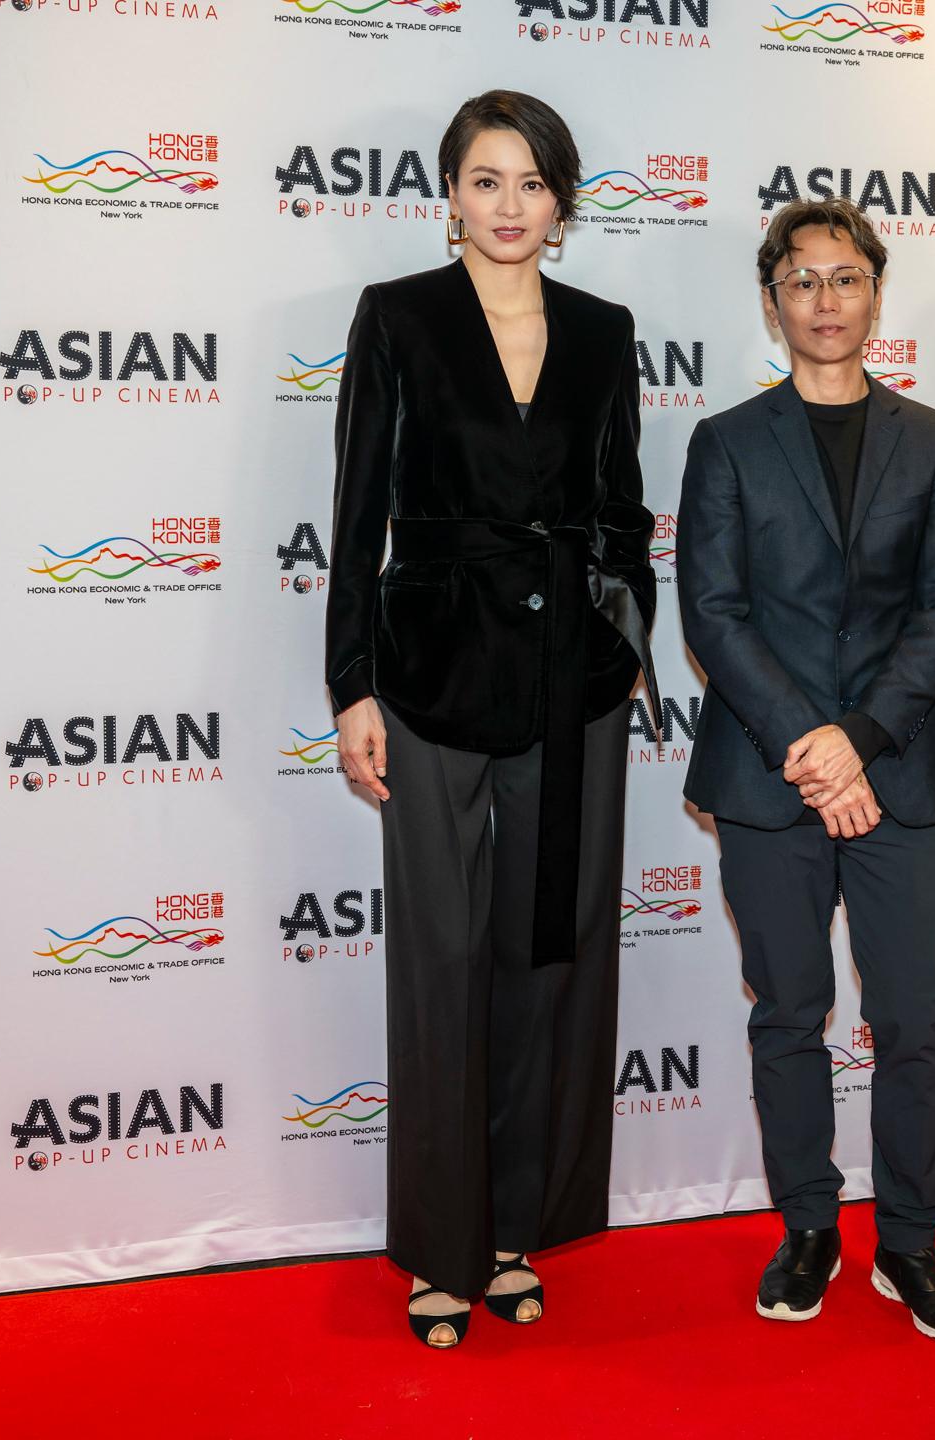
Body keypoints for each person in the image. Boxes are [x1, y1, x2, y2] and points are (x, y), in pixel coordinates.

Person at [325, 90, 658, 1349]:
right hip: (428, 680)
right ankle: (438, 1248)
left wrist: (624, 642)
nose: (509, 205)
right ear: (449, 193)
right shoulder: (398, 318)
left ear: (561, 204)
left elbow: (622, 507)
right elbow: (357, 513)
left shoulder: (603, 329)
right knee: (442, 962)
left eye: (532, 183)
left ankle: (515, 1227)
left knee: (548, 957)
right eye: (486, 179)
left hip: (573, 685)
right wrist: (351, 684)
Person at [677, 199, 935, 1341]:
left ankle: (909, 1243)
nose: (824, 300)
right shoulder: (725, 442)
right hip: (767, 781)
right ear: (774, 300)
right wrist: (815, 747)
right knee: (790, 1015)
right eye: (801, 282)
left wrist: (858, 738)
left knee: (914, 1019)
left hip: (898, 777)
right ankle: (809, 1226)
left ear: (874, 293)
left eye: (844, 278)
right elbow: (713, 611)